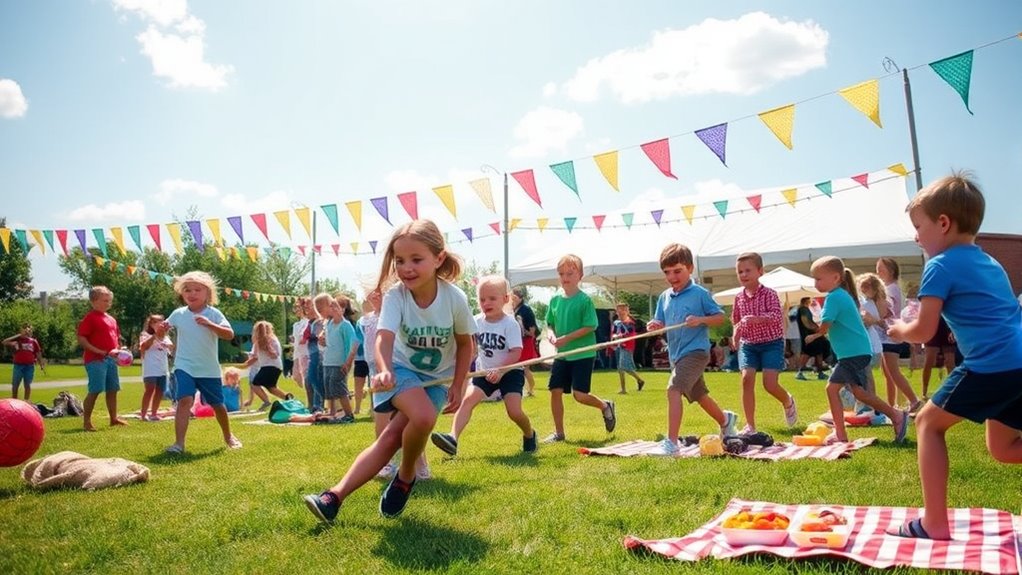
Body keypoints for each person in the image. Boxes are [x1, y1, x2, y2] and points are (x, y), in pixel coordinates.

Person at [304, 219, 474, 523]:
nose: (406, 267)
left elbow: (465, 344)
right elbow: (384, 337)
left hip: (438, 377)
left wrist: (459, 384)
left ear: (438, 259)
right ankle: (390, 480)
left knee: (394, 435)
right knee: (421, 417)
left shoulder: (455, 299)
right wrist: (383, 370)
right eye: (400, 261)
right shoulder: (396, 296)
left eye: (416, 259)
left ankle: (341, 495)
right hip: (400, 369)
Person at [885, 173, 1022, 540]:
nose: (916, 236)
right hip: (1017, 363)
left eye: (919, 227)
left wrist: (899, 329)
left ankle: (934, 523)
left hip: (990, 365)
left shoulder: (941, 265)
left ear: (943, 223)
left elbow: (925, 331)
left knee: (928, 424)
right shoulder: (989, 262)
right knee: (1006, 447)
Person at [805, 256, 909, 445]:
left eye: (819, 278)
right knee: (860, 393)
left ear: (836, 278)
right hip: (857, 352)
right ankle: (896, 416)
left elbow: (825, 326)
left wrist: (813, 333)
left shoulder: (834, 297)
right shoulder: (841, 295)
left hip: (853, 354)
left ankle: (841, 433)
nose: (815, 283)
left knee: (832, 389)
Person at [431, 275, 537, 457]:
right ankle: (452, 438)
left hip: (510, 372)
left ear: (505, 299)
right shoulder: (475, 321)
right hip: (484, 371)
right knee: (468, 401)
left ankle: (530, 434)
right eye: (482, 299)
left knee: (514, 412)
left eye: (492, 298)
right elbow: (470, 348)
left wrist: (501, 370)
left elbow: (515, 353)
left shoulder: (510, 324)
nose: (486, 303)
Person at [646, 243, 737, 454]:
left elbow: (720, 318)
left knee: (673, 389)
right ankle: (726, 420)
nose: (672, 277)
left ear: (690, 269)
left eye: (677, 271)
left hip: (696, 352)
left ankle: (672, 444)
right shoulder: (664, 297)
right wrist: (655, 325)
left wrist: (700, 320)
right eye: (667, 272)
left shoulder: (699, 293)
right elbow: (659, 321)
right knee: (700, 396)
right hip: (676, 355)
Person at [163, 271, 241, 453]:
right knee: (185, 400)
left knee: (218, 406)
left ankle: (229, 436)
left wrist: (209, 324)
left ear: (208, 293)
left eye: (197, 290)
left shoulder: (213, 313)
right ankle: (179, 444)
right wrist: (161, 331)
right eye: (187, 290)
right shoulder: (178, 314)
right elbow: (162, 334)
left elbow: (229, 334)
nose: (192, 294)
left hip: (208, 368)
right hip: (184, 365)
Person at [542, 254, 616, 443]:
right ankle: (559, 433)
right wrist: (551, 334)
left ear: (580, 276)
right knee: (555, 390)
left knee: (580, 396)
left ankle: (605, 406)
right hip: (563, 355)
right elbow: (549, 323)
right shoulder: (555, 300)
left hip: (583, 354)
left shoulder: (584, 301)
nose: (565, 277)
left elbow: (591, 326)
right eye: (561, 274)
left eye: (570, 273)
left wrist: (566, 338)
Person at [730, 252, 798, 433]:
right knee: (746, 379)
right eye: (740, 272)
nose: (743, 275)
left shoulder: (769, 294)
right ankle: (750, 425)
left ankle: (787, 401)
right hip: (748, 344)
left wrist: (757, 319)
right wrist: (735, 335)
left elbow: (777, 315)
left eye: (747, 271)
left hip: (771, 343)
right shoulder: (739, 297)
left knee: (770, 384)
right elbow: (736, 320)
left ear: (760, 271)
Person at [77, 286, 129, 431]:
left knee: (113, 390)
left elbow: (116, 339)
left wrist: (120, 352)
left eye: (109, 300)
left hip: (111, 360)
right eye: (105, 300)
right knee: (95, 390)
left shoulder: (112, 319)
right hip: (95, 360)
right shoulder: (90, 318)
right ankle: (87, 422)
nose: (108, 303)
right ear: (93, 301)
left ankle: (114, 419)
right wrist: (99, 351)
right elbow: (81, 338)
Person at [876, 257, 923, 412]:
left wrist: (874, 316)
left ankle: (913, 400)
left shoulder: (890, 289)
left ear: (891, 271)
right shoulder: (892, 288)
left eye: (881, 269)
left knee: (892, 372)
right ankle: (892, 405)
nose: (878, 272)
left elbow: (887, 311)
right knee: (888, 372)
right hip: (889, 335)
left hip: (891, 336)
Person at [315, 293, 355, 421]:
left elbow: (353, 344)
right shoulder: (329, 324)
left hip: (339, 363)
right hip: (328, 361)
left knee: (338, 386)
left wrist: (348, 362)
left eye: (320, 310)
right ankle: (331, 411)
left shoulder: (345, 325)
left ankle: (349, 414)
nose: (320, 313)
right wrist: (323, 341)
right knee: (328, 387)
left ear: (330, 306)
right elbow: (332, 342)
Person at [855, 273, 888, 412]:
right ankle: (868, 404)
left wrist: (870, 319)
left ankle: (872, 405)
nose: (863, 289)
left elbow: (877, 319)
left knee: (866, 376)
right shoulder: (865, 301)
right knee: (864, 375)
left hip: (870, 342)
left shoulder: (876, 300)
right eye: (862, 286)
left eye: (866, 286)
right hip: (867, 340)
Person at [243, 320, 292, 405]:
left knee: (255, 384)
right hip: (276, 366)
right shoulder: (273, 339)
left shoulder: (265, 341)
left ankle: (267, 402)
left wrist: (244, 365)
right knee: (271, 387)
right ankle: (288, 398)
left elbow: (256, 357)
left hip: (269, 366)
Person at [139, 314, 174, 421]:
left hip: (162, 369)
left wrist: (166, 341)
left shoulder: (166, 337)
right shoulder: (145, 334)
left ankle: (154, 413)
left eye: (161, 321)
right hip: (150, 368)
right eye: (156, 322)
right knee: (149, 390)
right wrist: (155, 335)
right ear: (150, 324)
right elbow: (144, 346)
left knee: (160, 391)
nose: (159, 324)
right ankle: (143, 414)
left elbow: (171, 349)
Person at [610, 302, 646, 394]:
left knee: (625, 366)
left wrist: (619, 336)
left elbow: (629, 333)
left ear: (627, 311)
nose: (621, 312)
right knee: (620, 368)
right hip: (617, 346)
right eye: (619, 310)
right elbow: (613, 332)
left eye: (624, 309)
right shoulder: (616, 323)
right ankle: (623, 389)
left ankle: (640, 380)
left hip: (626, 346)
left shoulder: (630, 323)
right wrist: (613, 340)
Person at [510, 286, 539, 397]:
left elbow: (532, 332)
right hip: (517, 341)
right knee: (517, 367)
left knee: (525, 367)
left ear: (520, 298)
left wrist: (522, 330)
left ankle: (531, 389)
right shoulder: (512, 310)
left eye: (515, 297)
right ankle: (521, 389)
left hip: (526, 342)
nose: (513, 299)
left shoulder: (526, 310)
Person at [4, 324, 44, 401]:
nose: (27, 331)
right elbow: (4, 342)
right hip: (18, 366)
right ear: (21, 331)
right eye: (24, 329)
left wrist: (41, 363)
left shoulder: (33, 341)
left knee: (27, 384)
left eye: (29, 330)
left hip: (29, 366)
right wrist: (19, 335)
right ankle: (14, 401)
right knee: (15, 384)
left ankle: (26, 401)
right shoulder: (17, 340)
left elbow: (38, 353)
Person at [794, 297, 830, 379]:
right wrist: (817, 329)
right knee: (808, 354)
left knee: (816, 353)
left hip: (811, 335)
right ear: (807, 300)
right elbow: (806, 322)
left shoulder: (803, 309)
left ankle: (819, 372)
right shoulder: (803, 309)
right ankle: (801, 372)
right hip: (810, 335)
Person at [921, 317, 956, 400]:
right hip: (933, 328)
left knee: (950, 363)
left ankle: (953, 390)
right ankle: (924, 392)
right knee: (929, 360)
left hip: (948, 327)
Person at [291, 299, 309, 397]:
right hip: (297, 353)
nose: (296, 310)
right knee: (296, 376)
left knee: (306, 377)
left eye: (298, 307)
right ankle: (310, 393)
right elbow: (295, 339)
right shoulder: (296, 325)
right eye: (295, 308)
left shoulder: (308, 322)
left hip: (306, 353)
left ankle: (312, 396)